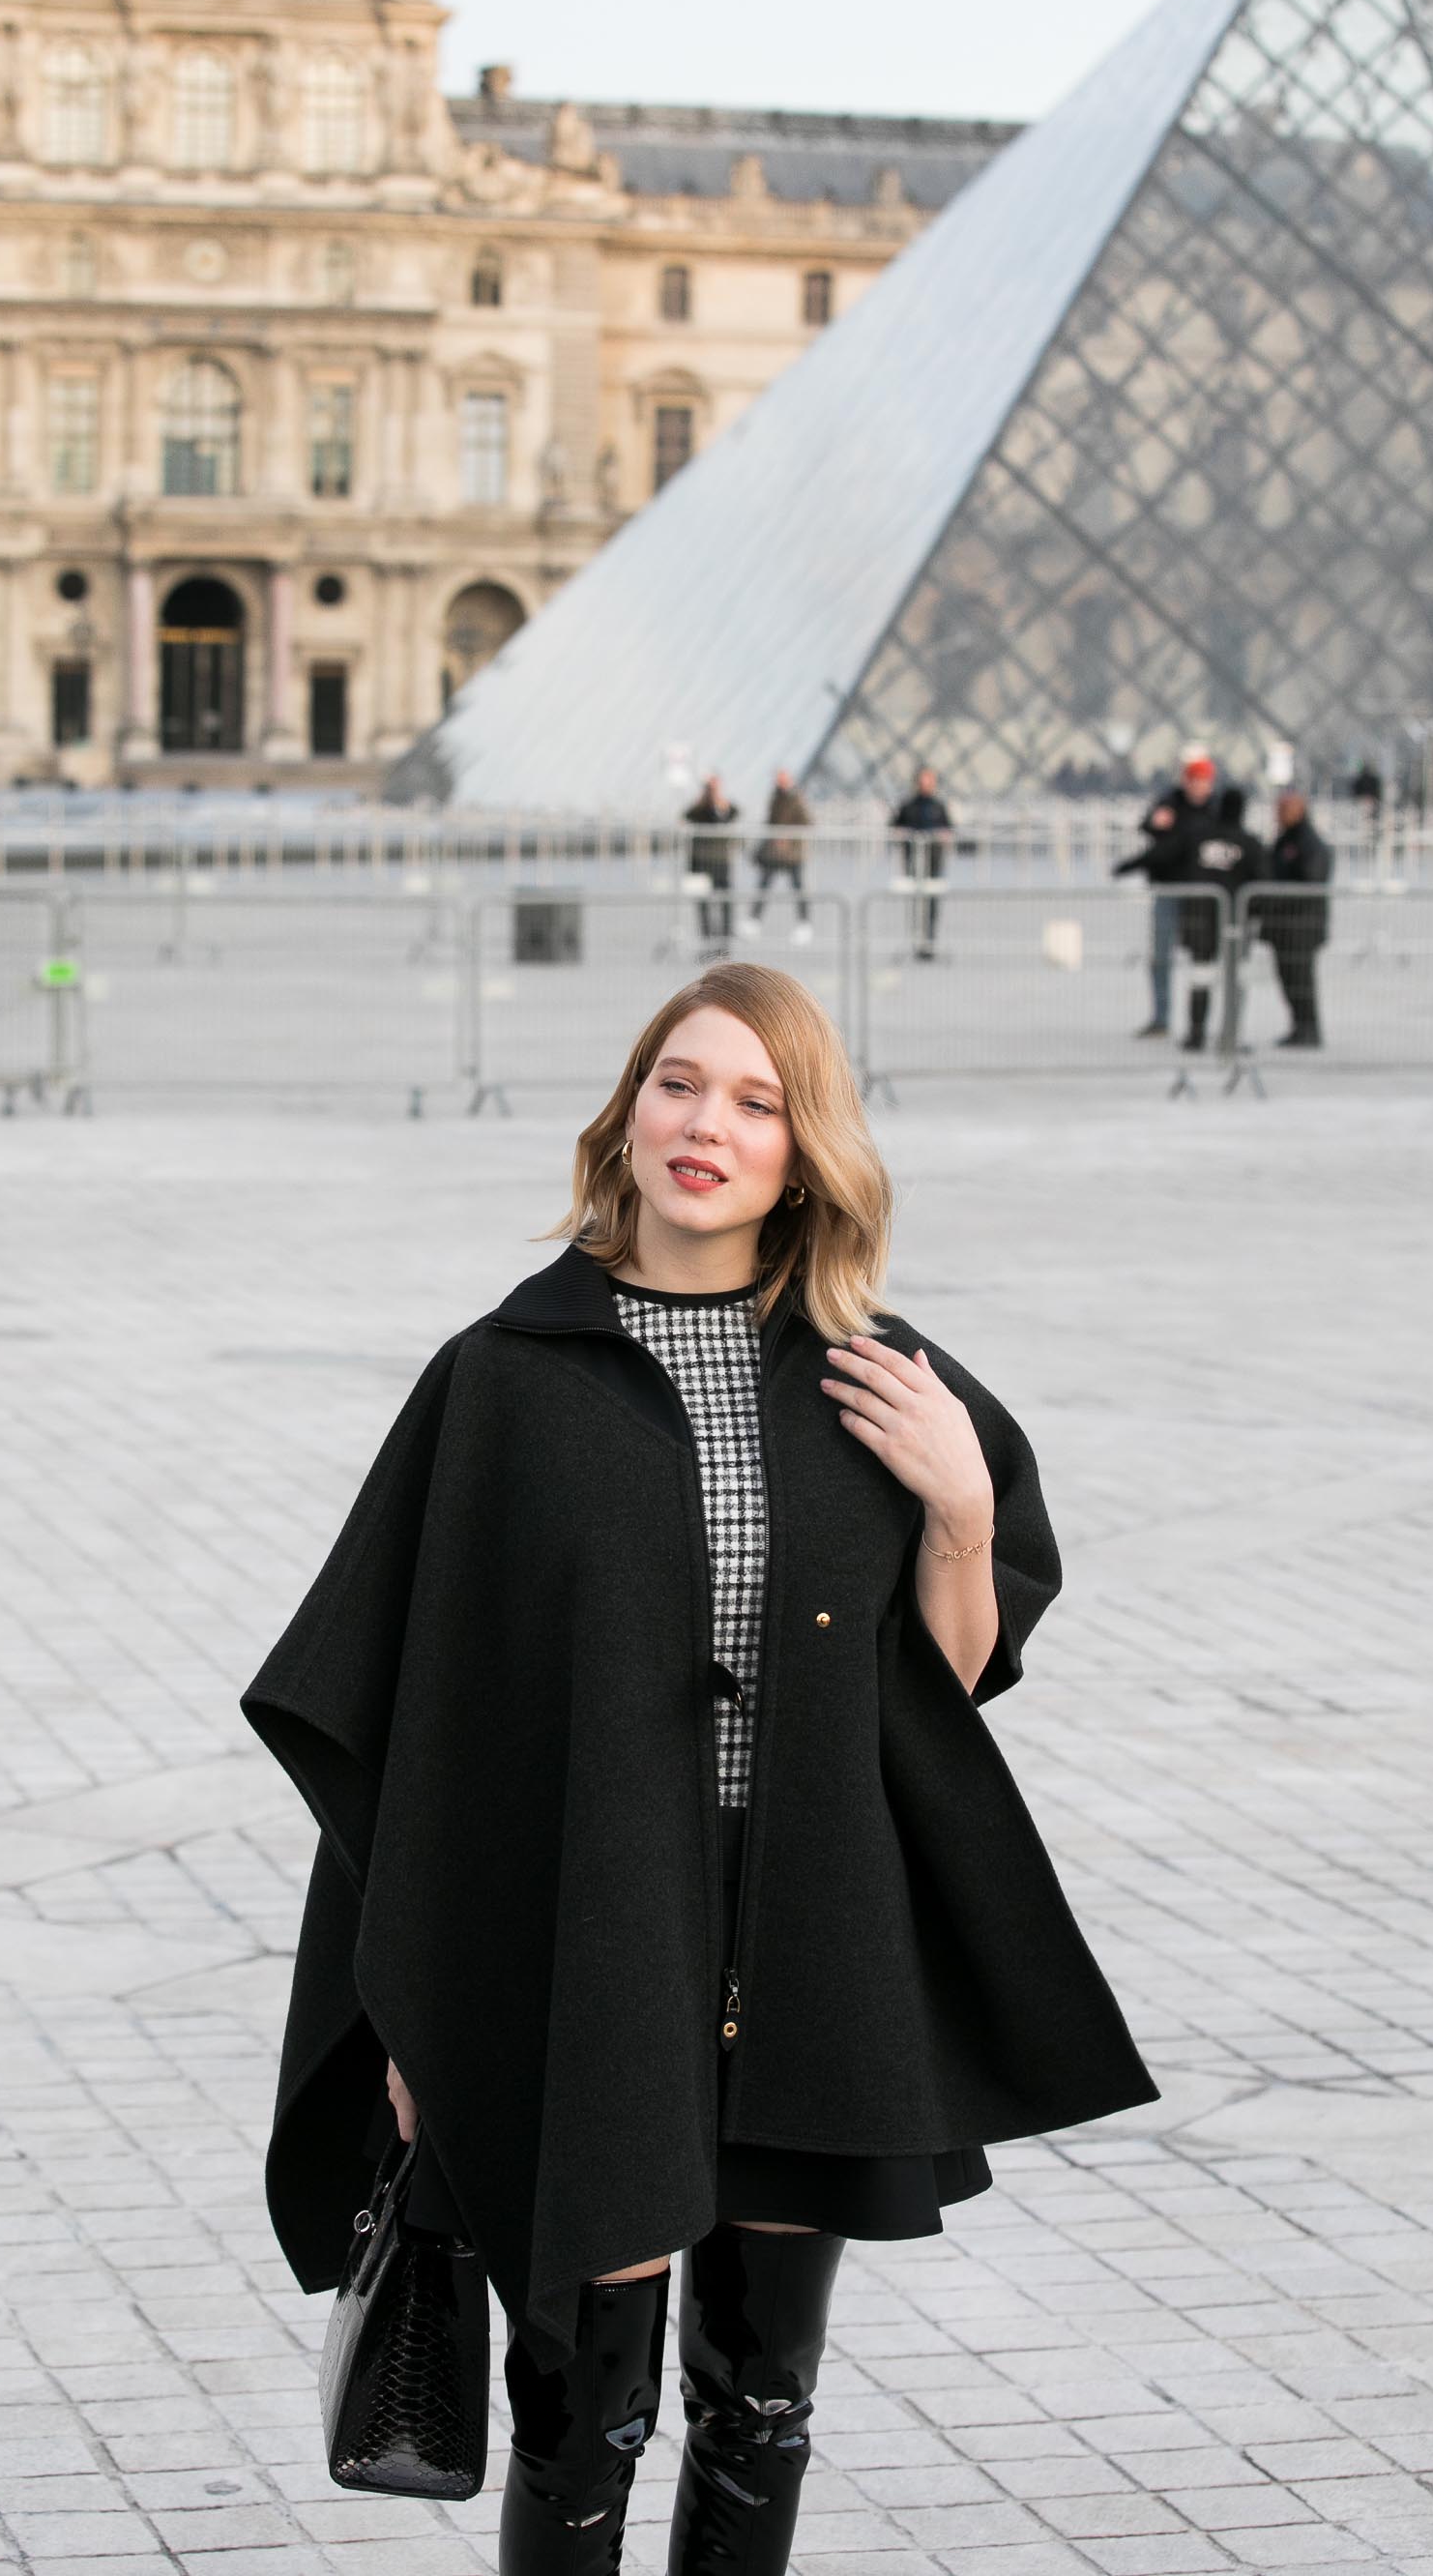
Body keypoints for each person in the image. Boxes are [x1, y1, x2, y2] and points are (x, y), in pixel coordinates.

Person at [243, 963, 1156, 2576]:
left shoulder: (880, 1377)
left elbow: (942, 1688)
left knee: (762, 2406)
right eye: (680, 1083)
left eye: (757, 1099)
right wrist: (405, 2012)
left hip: (804, 1950)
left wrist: (957, 1510)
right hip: (594, 1953)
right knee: (581, 2418)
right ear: (628, 1111)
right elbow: (406, 1721)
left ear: (805, 1152)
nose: (708, 1125)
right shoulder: (505, 1381)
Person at [1114, 752, 1217, 1037]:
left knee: (1202, 958)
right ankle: (1161, 1016)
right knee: (1161, 955)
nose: (1198, 786)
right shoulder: (1170, 802)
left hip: (1203, 893)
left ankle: (1200, 1021)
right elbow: (1149, 828)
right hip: (1170, 888)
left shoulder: (1216, 809)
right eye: (1194, 780)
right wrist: (1154, 823)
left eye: (1203, 781)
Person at [1173, 784, 1267, 1052]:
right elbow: (1262, 880)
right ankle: (1231, 1033)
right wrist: (1257, 913)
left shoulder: (1198, 837)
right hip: (1236, 922)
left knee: (1201, 975)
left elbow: (1170, 858)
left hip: (1199, 918)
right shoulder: (1248, 843)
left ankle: (1196, 1032)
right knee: (1236, 979)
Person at [1254, 790, 1332, 1047]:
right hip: (1284, 926)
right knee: (1289, 979)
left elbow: (1310, 881)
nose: (1279, 815)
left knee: (1301, 981)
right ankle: (1300, 1027)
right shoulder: (1285, 840)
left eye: (1285, 809)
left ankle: (1309, 1029)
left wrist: (1279, 899)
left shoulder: (1307, 841)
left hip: (1300, 926)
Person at [890, 765, 952, 957]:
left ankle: (929, 941)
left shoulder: (938, 806)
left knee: (932, 901)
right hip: (914, 859)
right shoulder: (908, 805)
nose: (927, 784)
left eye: (930, 780)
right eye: (925, 780)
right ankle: (916, 941)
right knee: (916, 901)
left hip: (934, 859)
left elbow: (948, 828)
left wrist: (944, 836)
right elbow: (895, 826)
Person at [746, 769, 813, 944]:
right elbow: (771, 821)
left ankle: (804, 924)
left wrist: (788, 835)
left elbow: (806, 821)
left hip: (792, 854)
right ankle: (754, 921)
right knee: (764, 886)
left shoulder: (796, 798)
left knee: (797, 889)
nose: (778, 782)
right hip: (775, 852)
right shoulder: (775, 797)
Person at [684, 773, 738, 954]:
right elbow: (688, 815)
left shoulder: (724, 806)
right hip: (701, 863)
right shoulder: (700, 809)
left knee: (725, 901)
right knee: (703, 904)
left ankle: (724, 942)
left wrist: (720, 801)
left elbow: (734, 813)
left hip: (720, 863)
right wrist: (703, 800)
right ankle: (707, 942)